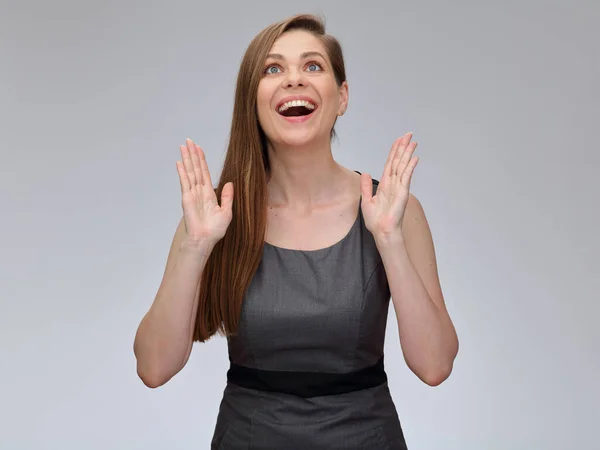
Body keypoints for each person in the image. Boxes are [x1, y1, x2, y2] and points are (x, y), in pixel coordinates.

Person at [133, 13, 459, 449]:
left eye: (312, 66)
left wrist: (389, 240)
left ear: (341, 97)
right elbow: (153, 368)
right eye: (273, 69)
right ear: (252, 99)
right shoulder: (214, 215)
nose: (293, 81)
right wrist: (196, 245)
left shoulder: (395, 211)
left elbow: (435, 366)